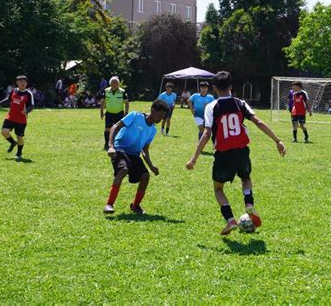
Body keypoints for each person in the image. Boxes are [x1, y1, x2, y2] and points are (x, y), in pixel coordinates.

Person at [186, 71, 286, 235]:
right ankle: (248, 203)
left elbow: (206, 133)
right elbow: (258, 122)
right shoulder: (241, 103)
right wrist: (277, 140)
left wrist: (194, 158)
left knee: (218, 189)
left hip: (223, 154)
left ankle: (230, 220)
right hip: (242, 152)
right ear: (231, 87)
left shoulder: (212, 106)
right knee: (245, 178)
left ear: (214, 88)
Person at [103, 100, 169, 214]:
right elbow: (115, 126)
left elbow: (145, 150)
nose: (160, 119)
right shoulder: (135, 115)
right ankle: (109, 204)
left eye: (163, 117)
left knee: (145, 176)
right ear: (153, 110)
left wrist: (151, 166)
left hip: (134, 154)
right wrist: (111, 146)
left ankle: (135, 206)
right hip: (120, 149)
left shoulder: (153, 130)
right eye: (159, 115)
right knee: (123, 170)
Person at [0, 75, 34, 160]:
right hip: (10, 117)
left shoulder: (28, 93)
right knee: (4, 132)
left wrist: (26, 111)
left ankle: (19, 153)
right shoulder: (14, 91)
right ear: (17, 83)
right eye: (21, 81)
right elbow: (8, 99)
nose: (23, 83)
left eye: (24, 82)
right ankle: (13, 143)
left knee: (19, 137)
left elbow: (31, 106)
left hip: (21, 119)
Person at [100, 76, 129, 150]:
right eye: (113, 83)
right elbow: (102, 102)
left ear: (118, 84)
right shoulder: (106, 91)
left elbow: (126, 103)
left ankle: (117, 144)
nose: (114, 84)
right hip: (109, 113)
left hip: (119, 113)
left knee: (118, 129)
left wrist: (126, 113)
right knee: (107, 129)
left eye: (116, 83)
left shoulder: (122, 91)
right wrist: (101, 111)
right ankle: (107, 144)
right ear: (110, 83)